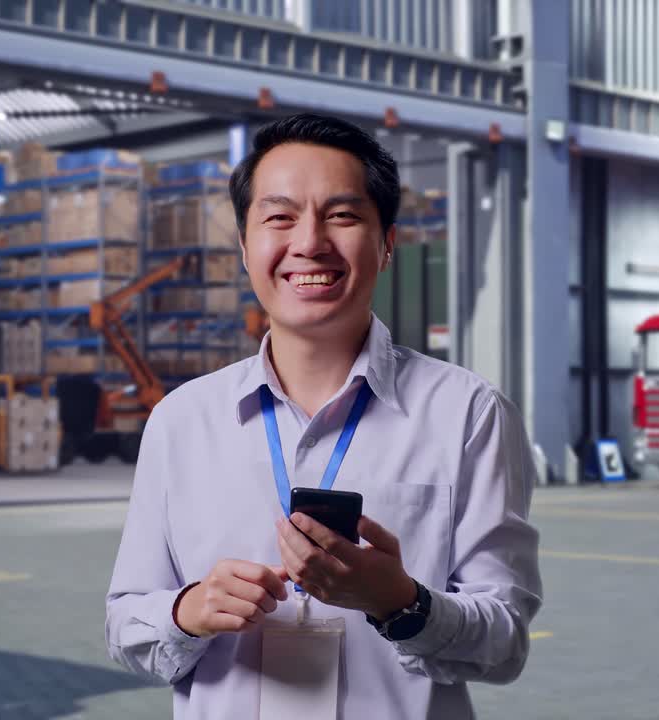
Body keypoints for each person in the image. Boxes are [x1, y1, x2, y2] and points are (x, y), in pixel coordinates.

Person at [105, 113, 542, 719]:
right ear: (245, 247)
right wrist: (189, 611)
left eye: (342, 215)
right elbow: (126, 625)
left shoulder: (467, 415)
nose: (309, 242)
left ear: (387, 243)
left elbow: (504, 641)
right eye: (279, 217)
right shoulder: (182, 421)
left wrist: (402, 603)